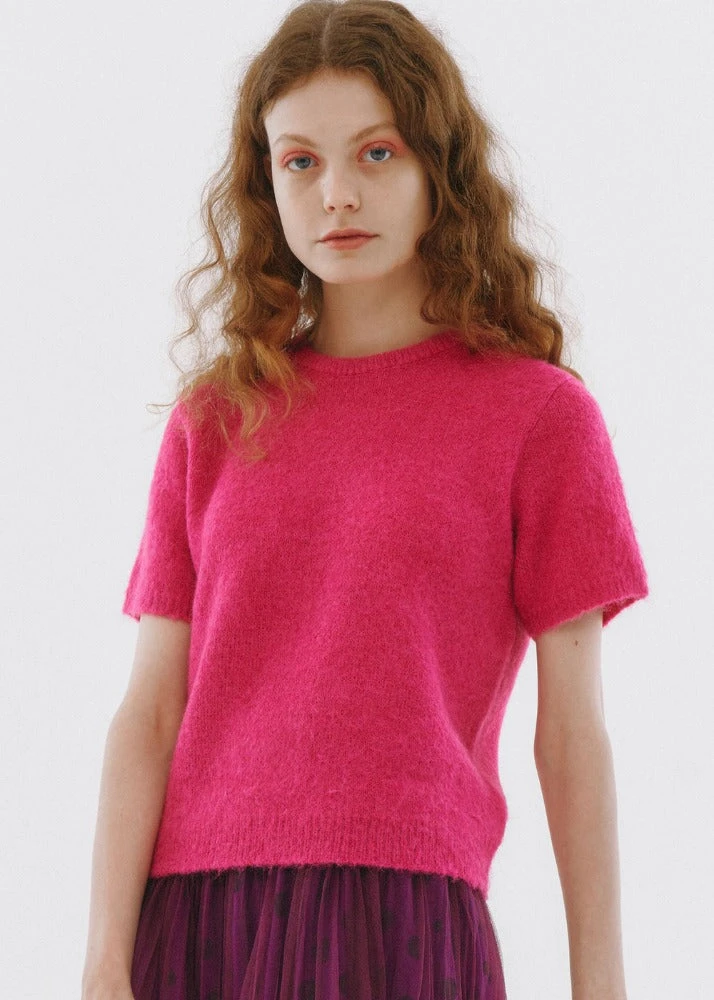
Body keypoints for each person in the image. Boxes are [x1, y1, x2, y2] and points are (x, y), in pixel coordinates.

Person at [81, 2, 650, 998]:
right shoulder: (215, 420)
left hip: (407, 917)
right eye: (300, 161)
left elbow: (571, 735)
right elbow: (150, 709)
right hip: (198, 920)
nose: (337, 193)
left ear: (440, 168)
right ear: (267, 183)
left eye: (376, 153)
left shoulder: (539, 418)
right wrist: (102, 961)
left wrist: (600, 987)